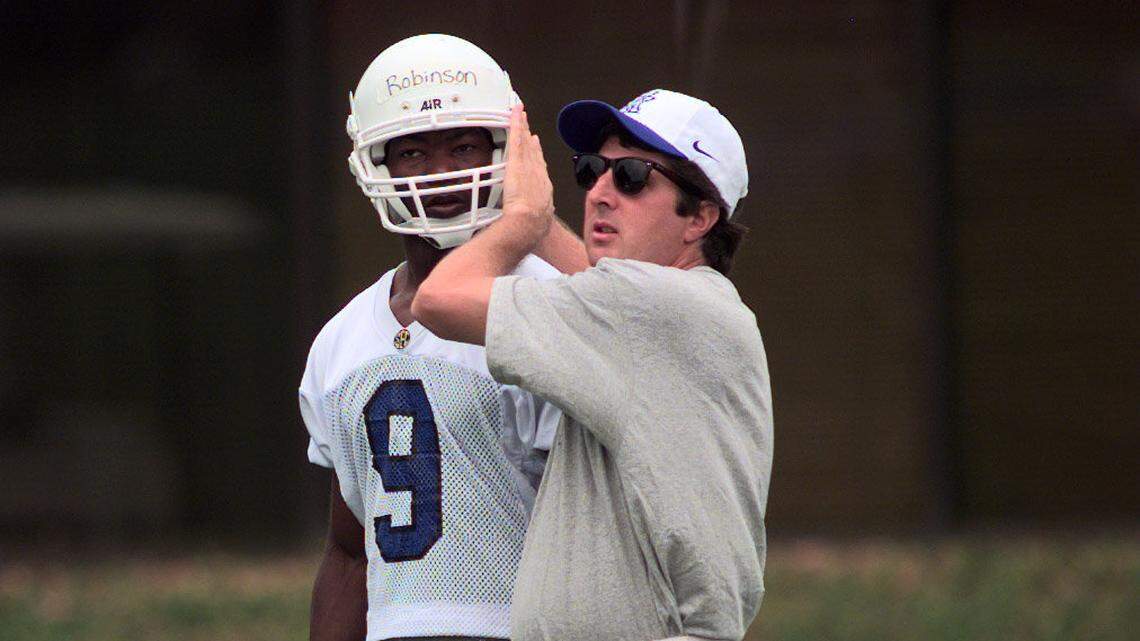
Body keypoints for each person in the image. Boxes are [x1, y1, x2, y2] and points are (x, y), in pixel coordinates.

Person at [412, 89, 773, 641]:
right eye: (591, 170)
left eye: (631, 177)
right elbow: (599, 286)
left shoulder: (648, 307)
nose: (601, 193)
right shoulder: (672, 309)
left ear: (700, 217)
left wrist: (523, 218)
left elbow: (439, 301)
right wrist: (537, 223)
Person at [299, 34, 564, 641]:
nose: (441, 173)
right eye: (413, 151)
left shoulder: (550, 308)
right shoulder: (341, 340)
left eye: (463, 146)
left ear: (507, 150)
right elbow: (349, 553)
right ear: (375, 165)